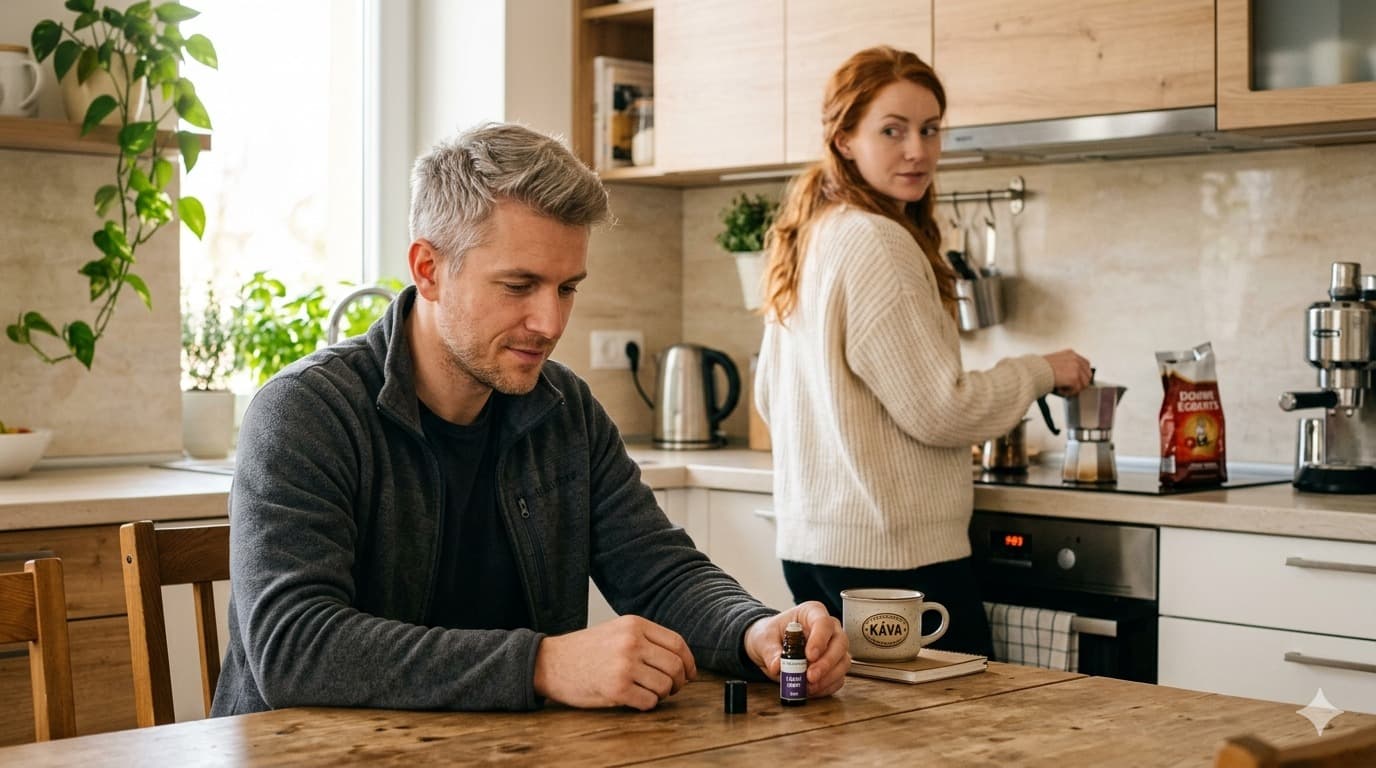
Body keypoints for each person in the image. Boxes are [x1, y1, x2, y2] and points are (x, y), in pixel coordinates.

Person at [212, 123, 849, 716]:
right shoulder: (304, 413)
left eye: (567, 287)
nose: (550, 323)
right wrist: (540, 664)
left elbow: (660, 573)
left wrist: (755, 630)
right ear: (429, 270)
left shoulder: (564, 410)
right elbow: (295, 648)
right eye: (519, 286)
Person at [754, 47, 1093, 656]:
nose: (918, 150)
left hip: (813, 550)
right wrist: (1042, 370)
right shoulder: (876, 241)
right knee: (949, 737)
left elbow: (767, 396)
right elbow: (943, 409)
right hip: (894, 558)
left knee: (862, 739)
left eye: (930, 129)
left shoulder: (816, 234)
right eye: (893, 130)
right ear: (845, 139)